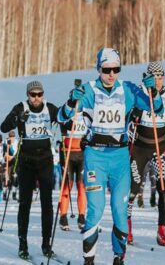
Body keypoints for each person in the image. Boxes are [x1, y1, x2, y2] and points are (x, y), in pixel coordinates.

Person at [58, 48, 162, 265]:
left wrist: (153, 91)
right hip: (96, 156)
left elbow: (156, 108)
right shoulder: (88, 90)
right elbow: (62, 117)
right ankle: (89, 260)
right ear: (99, 69)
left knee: (119, 210)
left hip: (120, 158)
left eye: (116, 69)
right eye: (107, 70)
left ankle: (118, 258)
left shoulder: (128, 90)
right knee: (95, 210)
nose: (111, 74)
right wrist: (70, 102)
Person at [0, 80, 62, 260]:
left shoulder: (50, 108)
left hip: (45, 159)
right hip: (26, 159)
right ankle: (23, 244)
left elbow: (65, 119)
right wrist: (17, 119)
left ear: (43, 94)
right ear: (28, 95)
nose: (36, 98)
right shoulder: (20, 107)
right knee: (25, 203)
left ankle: (46, 244)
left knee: (47, 204)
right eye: (33, 95)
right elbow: (4, 127)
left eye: (39, 94)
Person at [126, 61, 165, 247]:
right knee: (133, 190)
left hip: (162, 147)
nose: (158, 81)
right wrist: (133, 115)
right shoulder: (138, 94)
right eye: (154, 77)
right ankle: (126, 228)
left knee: (163, 189)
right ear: (148, 77)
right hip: (141, 147)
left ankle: (161, 230)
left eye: (160, 77)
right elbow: (127, 118)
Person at [58, 98, 88, 232]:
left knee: (82, 185)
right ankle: (63, 216)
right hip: (67, 153)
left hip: (82, 154)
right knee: (67, 185)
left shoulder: (88, 114)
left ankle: (82, 216)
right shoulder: (66, 111)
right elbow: (59, 120)